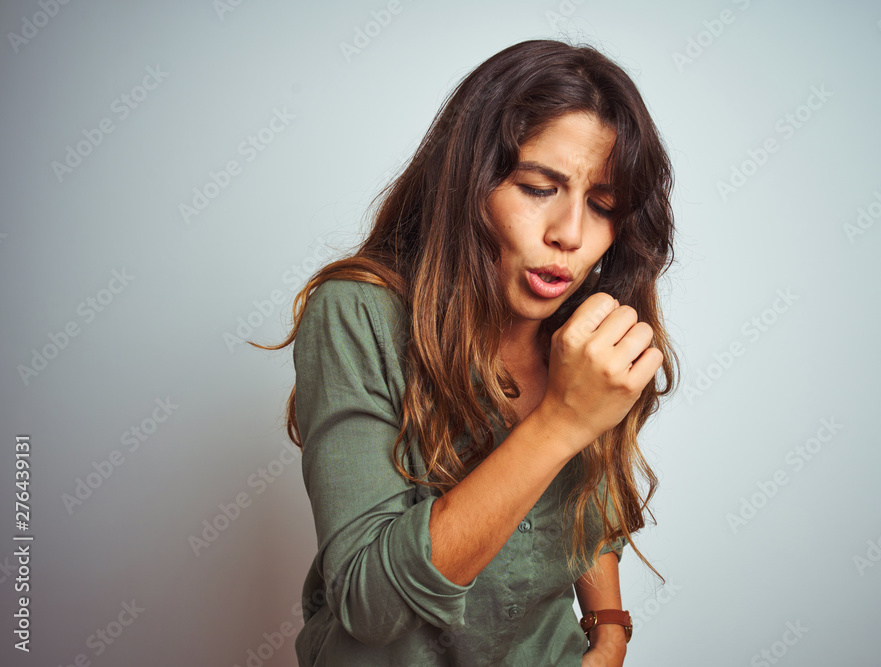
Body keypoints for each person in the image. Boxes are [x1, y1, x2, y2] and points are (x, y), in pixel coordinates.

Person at [255, 38, 680, 666]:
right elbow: (371, 607)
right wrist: (560, 421)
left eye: (602, 205)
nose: (570, 233)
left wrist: (610, 630)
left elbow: (593, 496)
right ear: (468, 182)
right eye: (539, 188)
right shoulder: (357, 313)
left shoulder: (588, 324)